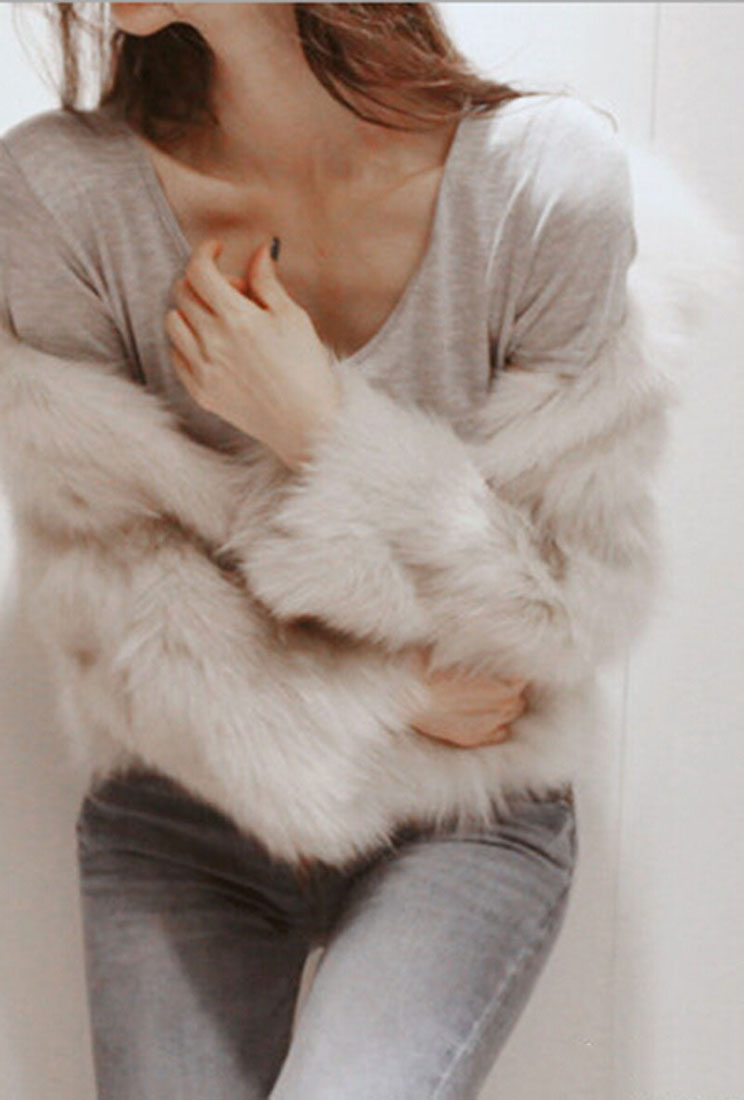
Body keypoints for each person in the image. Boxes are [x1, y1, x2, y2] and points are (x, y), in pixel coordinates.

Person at [0, 2, 643, 1095]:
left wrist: (321, 428)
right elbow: (111, 585)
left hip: (461, 810)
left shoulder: (543, 184)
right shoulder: (59, 193)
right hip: (185, 801)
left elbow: (558, 605)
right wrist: (376, 700)